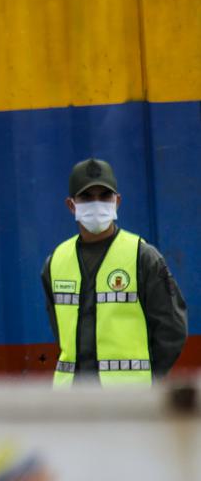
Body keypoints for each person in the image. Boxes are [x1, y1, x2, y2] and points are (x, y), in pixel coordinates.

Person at [43, 158, 187, 387]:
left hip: (128, 399)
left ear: (117, 201)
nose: (96, 204)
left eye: (104, 196)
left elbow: (172, 330)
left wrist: (148, 382)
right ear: (71, 205)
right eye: (87, 197)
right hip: (71, 400)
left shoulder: (143, 257)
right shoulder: (56, 261)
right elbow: (60, 331)